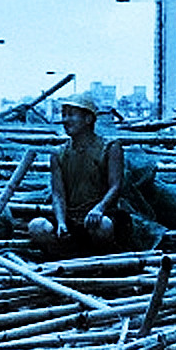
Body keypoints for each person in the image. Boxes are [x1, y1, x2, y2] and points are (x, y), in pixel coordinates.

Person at [27, 94, 129, 256]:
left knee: (103, 226)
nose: (65, 120)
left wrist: (99, 209)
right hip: (71, 218)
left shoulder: (110, 147)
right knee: (37, 226)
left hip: (100, 215)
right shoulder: (59, 154)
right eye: (64, 115)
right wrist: (61, 222)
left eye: (71, 114)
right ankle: (63, 256)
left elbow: (115, 186)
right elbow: (58, 194)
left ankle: (102, 259)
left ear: (88, 119)